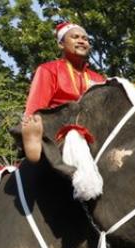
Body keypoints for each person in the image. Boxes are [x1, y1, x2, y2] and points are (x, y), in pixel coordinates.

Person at [21, 21, 105, 163]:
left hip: (92, 130)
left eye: (85, 39)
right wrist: (32, 123)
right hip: (60, 128)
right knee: (74, 141)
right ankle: (34, 141)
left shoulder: (98, 78)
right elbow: (36, 106)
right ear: (61, 44)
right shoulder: (49, 70)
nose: (81, 41)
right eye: (75, 37)